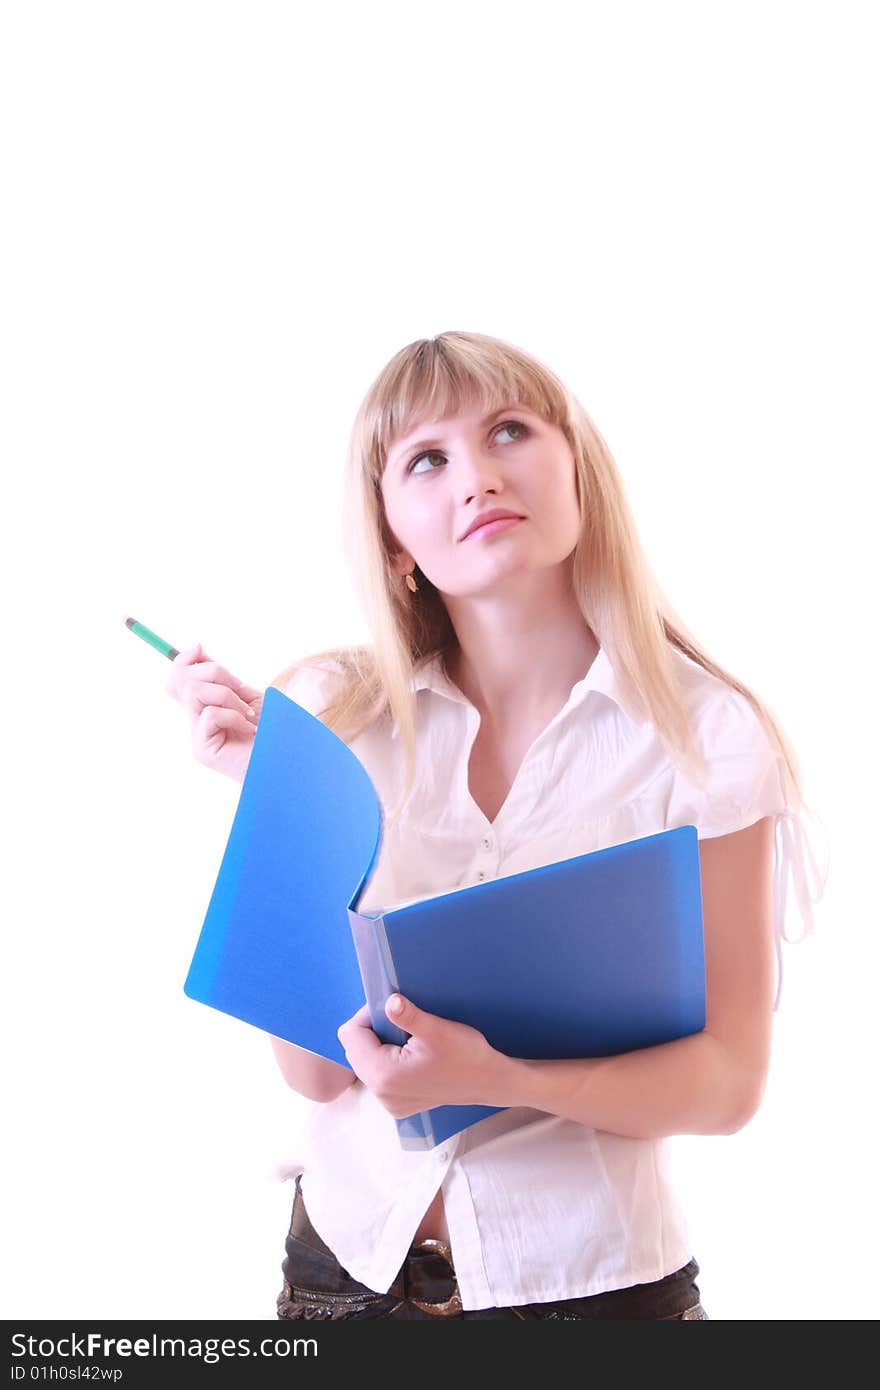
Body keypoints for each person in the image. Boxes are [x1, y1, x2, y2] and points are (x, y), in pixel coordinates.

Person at [167, 330, 829, 1320]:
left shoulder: (709, 740)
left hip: (593, 1295)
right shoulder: (332, 717)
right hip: (342, 1275)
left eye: (508, 430)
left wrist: (504, 1076)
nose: (475, 477)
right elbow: (314, 1073)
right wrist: (281, 801)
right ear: (394, 539)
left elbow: (727, 1082)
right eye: (426, 459)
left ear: (576, 468)